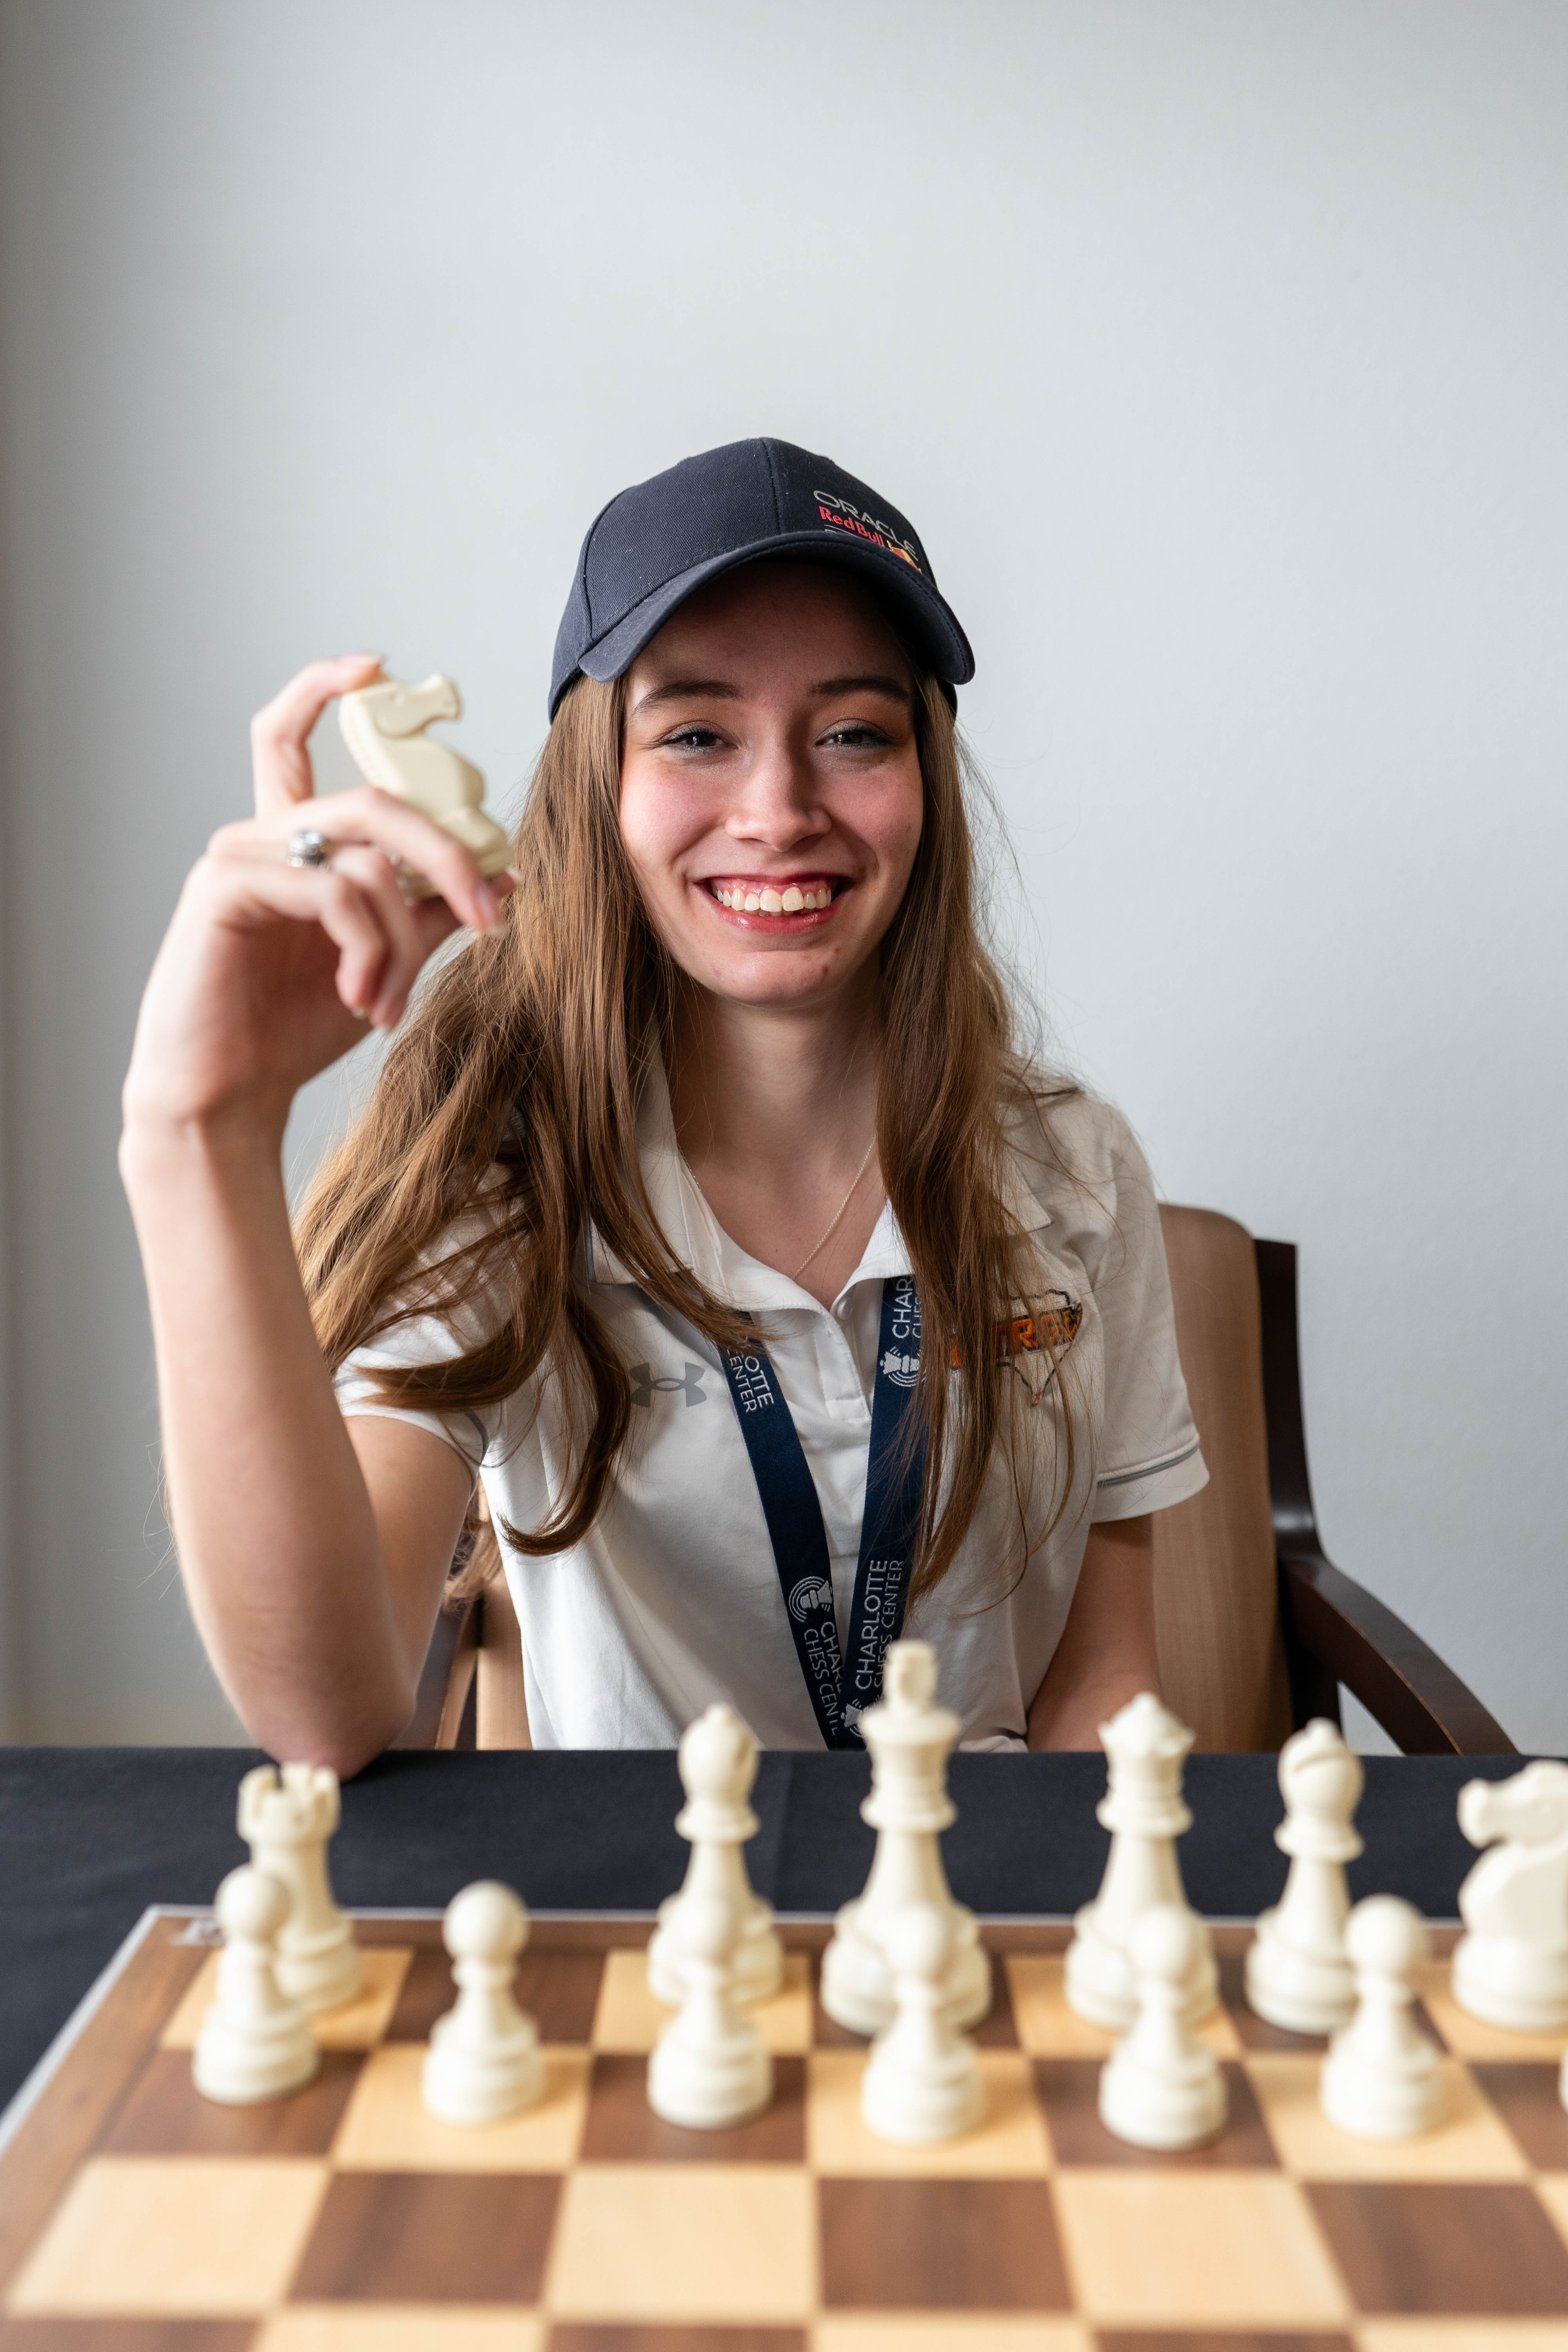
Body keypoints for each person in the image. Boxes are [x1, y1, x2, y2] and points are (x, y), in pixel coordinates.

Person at [120, 437, 1207, 1776]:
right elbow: (325, 1707)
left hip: (974, 1932)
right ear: (599, 785)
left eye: (855, 733)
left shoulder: (1076, 1165)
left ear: (926, 780)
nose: (779, 809)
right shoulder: (495, 1176)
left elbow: (1106, 1678)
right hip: (651, 1940)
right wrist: (197, 1132)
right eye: (698, 733)